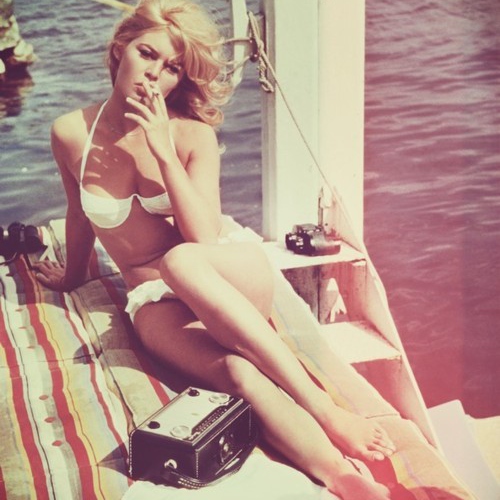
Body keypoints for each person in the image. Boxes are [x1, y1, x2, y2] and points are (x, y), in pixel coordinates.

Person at [34, 1, 395, 498]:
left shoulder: (192, 136)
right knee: (235, 371)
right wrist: (73, 276)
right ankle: (341, 476)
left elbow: (203, 238)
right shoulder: (71, 133)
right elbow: (78, 213)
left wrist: (163, 151)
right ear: (120, 50)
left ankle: (326, 409)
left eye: (172, 68)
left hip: (223, 271)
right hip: (153, 297)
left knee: (181, 259)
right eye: (147, 54)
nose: (154, 74)